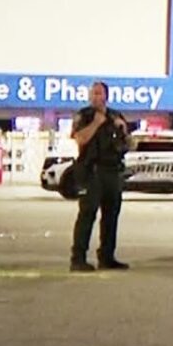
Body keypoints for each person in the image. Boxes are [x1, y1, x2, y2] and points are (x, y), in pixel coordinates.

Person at [69, 81, 131, 272]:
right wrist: (96, 123)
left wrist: (124, 130)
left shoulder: (116, 116)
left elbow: (128, 144)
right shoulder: (84, 115)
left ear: (106, 96)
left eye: (99, 93)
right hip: (92, 171)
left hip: (113, 171)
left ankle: (107, 256)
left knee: (111, 216)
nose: (95, 97)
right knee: (87, 215)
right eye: (93, 94)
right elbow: (80, 139)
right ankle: (78, 258)